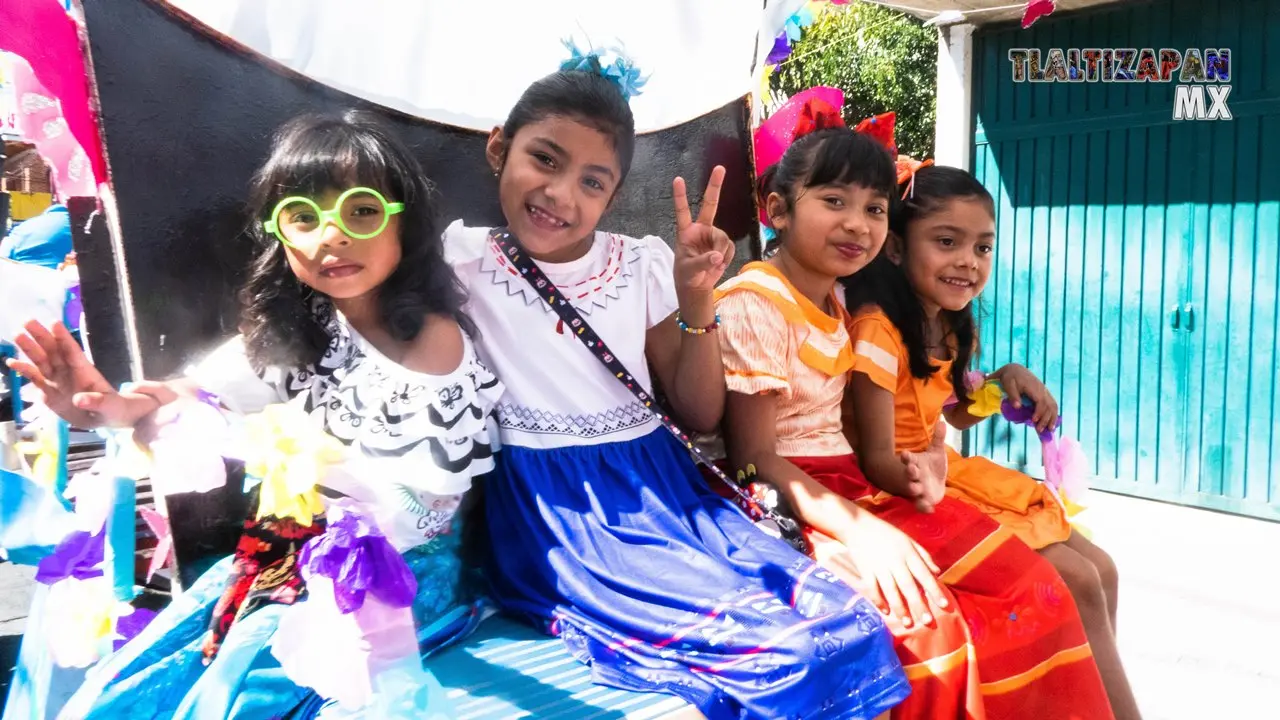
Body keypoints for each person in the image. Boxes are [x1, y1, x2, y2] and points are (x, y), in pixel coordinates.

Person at [444, 46, 909, 719]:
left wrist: (697, 303)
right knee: (771, 654)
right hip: (563, 515)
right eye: (544, 159)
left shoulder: (639, 265)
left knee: (843, 624)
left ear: (615, 194)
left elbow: (698, 413)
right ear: (499, 149)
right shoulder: (459, 261)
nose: (560, 194)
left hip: (663, 487)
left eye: (592, 182)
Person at [7, 111, 500, 719]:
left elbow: (421, 508)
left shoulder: (432, 340)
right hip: (288, 554)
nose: (332, 235)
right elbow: (197, 391)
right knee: (129, 688)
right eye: (303, 216)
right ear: (279, 234)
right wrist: (115, 407)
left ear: (406, 224)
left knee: (234, 695)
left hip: (397, 579)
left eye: (362, 209)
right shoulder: (297, 326)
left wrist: (265, 455)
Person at [714, 104, 1120, 719]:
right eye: (834, 201)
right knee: (982, 612)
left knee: (1062, 583)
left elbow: (945, 410)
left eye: (874, 208)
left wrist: (991, 390)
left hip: (866, 481)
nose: (857, 224)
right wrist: (883, 508)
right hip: (831, 489)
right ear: (776, 209)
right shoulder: (777, 306)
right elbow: (760, 457)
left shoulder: (846, 307)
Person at [843, 163, 1140, 719]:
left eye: (982, 248)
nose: (968, 262)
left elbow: (950, 413)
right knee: (1073, 577)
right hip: (899, 486)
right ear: (897, 248)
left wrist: (1005, 379)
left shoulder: (950, 325)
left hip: (943, 472)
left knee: (1101, 568)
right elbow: (880, 453)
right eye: (947, 242)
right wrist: (928, 476)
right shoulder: (877, 327)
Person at [1, 201, 73, 270]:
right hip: (63, 277)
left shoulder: (24, 226)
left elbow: (3, 256)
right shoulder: (79, 226)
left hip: (22, 276)